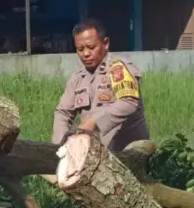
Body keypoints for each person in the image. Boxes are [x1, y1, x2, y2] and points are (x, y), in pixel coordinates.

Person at [52, 19, 150, 152]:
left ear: (106, 43)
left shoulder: (118, 69)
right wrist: (59, 147)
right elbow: (63, 113)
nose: (86, 54)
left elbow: (128, 102)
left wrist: (94, 121)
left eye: (91, 47)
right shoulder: (77, 79)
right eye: (80, 49)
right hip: (95, 154)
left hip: (129, 153)